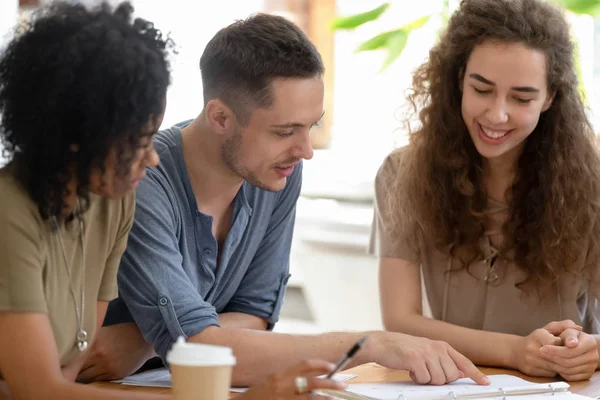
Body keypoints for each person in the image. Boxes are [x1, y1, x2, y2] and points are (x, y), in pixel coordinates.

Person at [78, 12, 490, 388]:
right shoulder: (142, 181)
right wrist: (367, 344)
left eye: (312, 126)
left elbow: (255, 316)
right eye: (285, 130)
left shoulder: (275, 171)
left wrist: (150, 339)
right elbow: (209, 348)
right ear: (220, 117)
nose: (305, 149)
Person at [0, 2, 348, 399]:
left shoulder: (112, 205)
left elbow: (67, 380)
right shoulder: (11, 213)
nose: (150, 158)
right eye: (138, 141)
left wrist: (149, 339)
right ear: (79, 135)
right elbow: (42, 389)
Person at [371, 0, 600, 383]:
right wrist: (515, 351)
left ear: (550, 98)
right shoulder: (401, 174)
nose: (497, 115)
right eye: (482, 89)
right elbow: (399, 321)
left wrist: (593, 350)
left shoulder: (592, 183)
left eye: (522, 98)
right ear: (459, 78)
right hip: (453, 387)